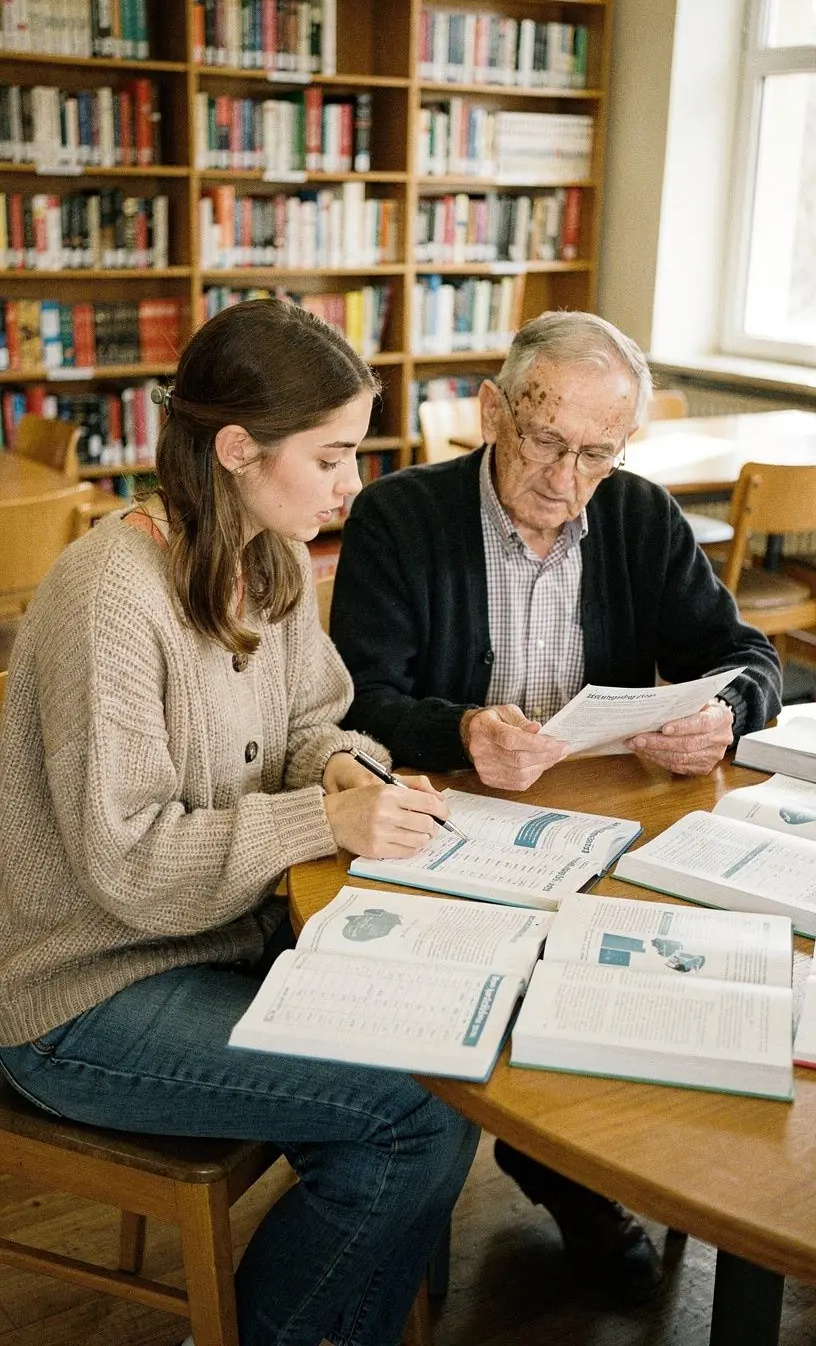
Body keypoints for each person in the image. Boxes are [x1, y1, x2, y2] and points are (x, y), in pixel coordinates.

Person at [0, 297, 479, 1346]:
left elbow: (312, 718)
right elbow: (128, 862)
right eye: (332, 458)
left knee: (442, 1072)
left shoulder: (270, 555)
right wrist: (325, 818)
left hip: (223, 944)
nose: (354, 485)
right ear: (235, 450)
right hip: (81, 993)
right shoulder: (110, 597)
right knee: (412, 1115)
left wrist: (347, 770)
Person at [330, 309, 783, 1303]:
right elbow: (358, 705)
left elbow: (749, 658)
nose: (566, 479)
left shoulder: (639, 516)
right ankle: (543, 1174)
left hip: (605, 828)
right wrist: (463, 731)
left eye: (597, 454)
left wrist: (723, 713)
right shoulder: (400, 517)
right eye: (545, 440)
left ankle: (588, 1160)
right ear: (493, 412)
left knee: (669, 981)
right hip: (448, 828)